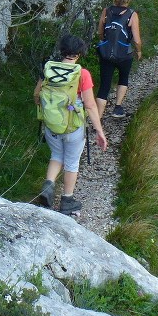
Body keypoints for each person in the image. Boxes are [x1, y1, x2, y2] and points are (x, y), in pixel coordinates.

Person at [33, 34, 107, 218]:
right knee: (72, 162)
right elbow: (90, 105)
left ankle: (48, 186)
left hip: (51, 125)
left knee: (56, 155)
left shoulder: (48, 68)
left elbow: (36, 95)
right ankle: (67, 200)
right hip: (73, 127)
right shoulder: (82, 74)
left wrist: (50, 112)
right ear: (79, 54)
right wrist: (99, 131)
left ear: (62, 51)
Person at [96, 0, 143, 119]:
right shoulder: (132, 14)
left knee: (104, 85)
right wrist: (139, 52)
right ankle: (117, 108)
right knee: (123, 77)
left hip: (106, 54)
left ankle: (97, 119)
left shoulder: (106, 11)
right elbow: (137, 40)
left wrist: (105, 42)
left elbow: (100, 31)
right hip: (124, 55)